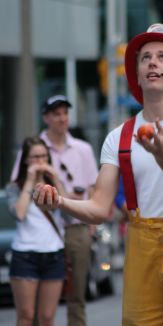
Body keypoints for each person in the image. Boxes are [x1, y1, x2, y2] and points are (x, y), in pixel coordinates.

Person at [33, 23, 163, 326]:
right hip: (142, 244)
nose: (152, 62)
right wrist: (58, 200)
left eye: (162, 57)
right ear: (138, 75)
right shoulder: (118, 137)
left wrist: (160, 151)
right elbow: (99, 208)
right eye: (145, 58)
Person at [11, 95, 99, 326]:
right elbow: (17, 185)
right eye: (56, 114)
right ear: (46, 118)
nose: (62, 118)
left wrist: (92, 227)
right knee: (38, 307)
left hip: (76, 227)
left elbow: (92, 188)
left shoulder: (83, 149)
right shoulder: (34, 146)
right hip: (44, 231)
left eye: (65, 113)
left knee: (76, 295)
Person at [6, 136, 65, 326]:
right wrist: (31, 180)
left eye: (43, 156)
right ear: (25, 160)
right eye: (35, 156)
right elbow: (19, 214)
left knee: (47, 317)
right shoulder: (15, 187)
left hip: (54, 254)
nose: (40, 160)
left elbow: (69, 211)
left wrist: (55, 177)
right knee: (26, 315)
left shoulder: (54, 184)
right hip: (25, 255)